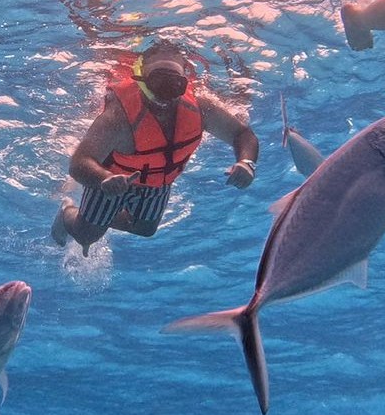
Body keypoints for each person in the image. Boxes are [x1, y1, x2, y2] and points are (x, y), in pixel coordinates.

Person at [51, 41, 259, 255]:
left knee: (145, 228)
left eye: (174, 86)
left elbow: (242, 134)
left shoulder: (201, 108)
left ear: (184, 84)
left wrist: (246, 161)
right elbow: (79, 162)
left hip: (155, 181)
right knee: (88, 235)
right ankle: (68, 210)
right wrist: (103, 178)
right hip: (111, 176)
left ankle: (98, 217)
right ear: (141, 81)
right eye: (158, 83)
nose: (165, 97)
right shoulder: (118, 118)